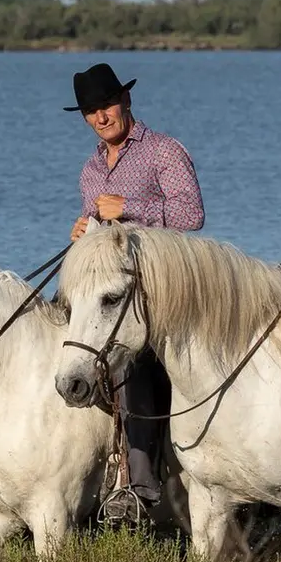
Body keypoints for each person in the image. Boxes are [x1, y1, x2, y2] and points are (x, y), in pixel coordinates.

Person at [64, 63, 206, 528]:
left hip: (161, 291)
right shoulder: (89, 170)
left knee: (133, 364)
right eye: (91, 111)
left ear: (125, 101)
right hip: (110, 291)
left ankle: (138, 489)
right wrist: (82, 232)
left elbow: (191, 215)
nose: (101, 117)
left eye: (106, 105)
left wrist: (131, 209)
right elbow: (99, 236)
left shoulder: (164, 151)